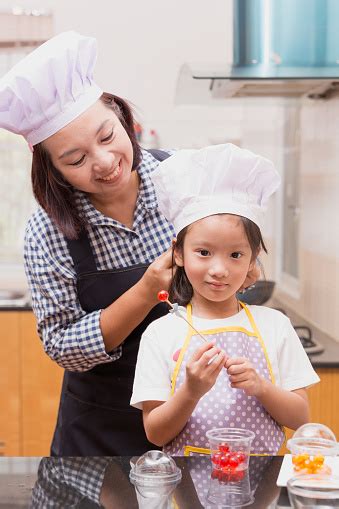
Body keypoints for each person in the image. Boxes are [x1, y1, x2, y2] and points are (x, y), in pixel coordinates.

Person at [0, 31, 257, 456]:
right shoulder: (45, 232)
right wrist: (144, 291)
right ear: (52, 170)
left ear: (122, 118)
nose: (103, 162)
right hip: (99, 430)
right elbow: (63, 346)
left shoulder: (188, 176)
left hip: (194, 414)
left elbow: (238, 247)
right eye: (76, 159)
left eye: (106, 136)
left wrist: (240, 267)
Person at [131, 143, 320, 456]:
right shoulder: (162, 333)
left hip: (262, 490)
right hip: (186, 491)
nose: (219, 270)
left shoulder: (275, 326)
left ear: (253, 258)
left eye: (235, 255)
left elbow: (301, 419)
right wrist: (191, 392)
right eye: (203, 253)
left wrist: (261, 387)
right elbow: (155, 433)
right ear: (178, 252)